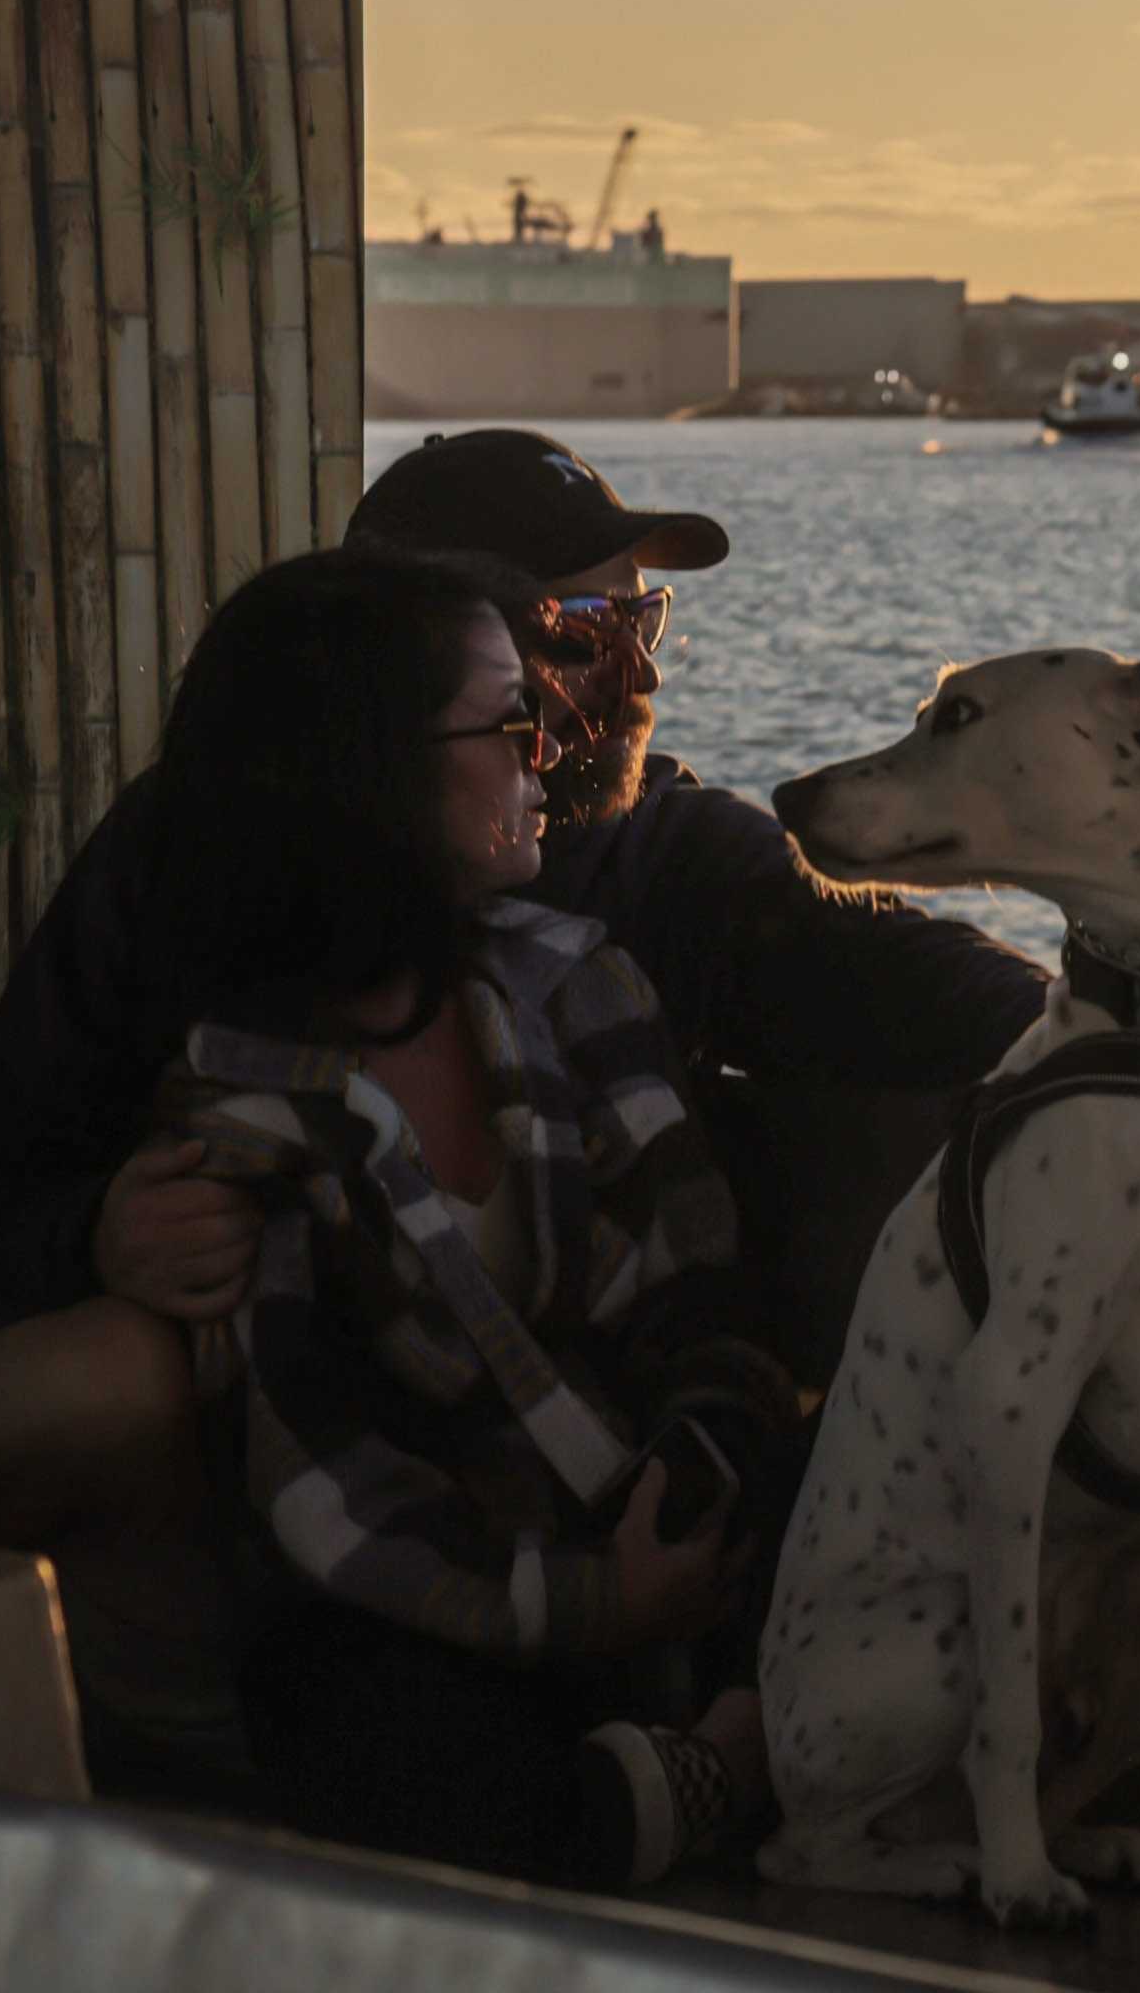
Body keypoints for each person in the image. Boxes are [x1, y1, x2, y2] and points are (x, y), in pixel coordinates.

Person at [0, 430, 1046, 1372]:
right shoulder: (193, 850)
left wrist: (1113, 1039)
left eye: (643, 620)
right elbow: (10, 1164)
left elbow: (907, 975)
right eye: (581, 631)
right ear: (405, 657)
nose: (638, 678)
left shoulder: (665, 853)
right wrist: (100, 1236)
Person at [134, 543, 797, 1889]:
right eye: (508, 720)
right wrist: (598, 1599)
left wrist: (698, 1474)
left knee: (847, 1462)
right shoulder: (239, 1102)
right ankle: (717, 1771)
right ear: (371, 772)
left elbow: (697, 1284)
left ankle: (675, 1772)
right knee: (339, 1698)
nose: (550, 744)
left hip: (663, 1523)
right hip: (461, 1601)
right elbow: (320, 1476)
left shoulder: (577, 982)